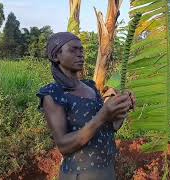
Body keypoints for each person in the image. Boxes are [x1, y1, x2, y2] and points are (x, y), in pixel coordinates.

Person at [36, 32, 136, 180]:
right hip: (81, 174)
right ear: (56, 56)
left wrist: (123, 108)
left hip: (107, 170)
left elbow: (109, 128)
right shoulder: (53, 94)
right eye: (73, 49)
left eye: (81, 50)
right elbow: (63, 146)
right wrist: (102, 115)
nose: (80, 54)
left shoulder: (91, 87)